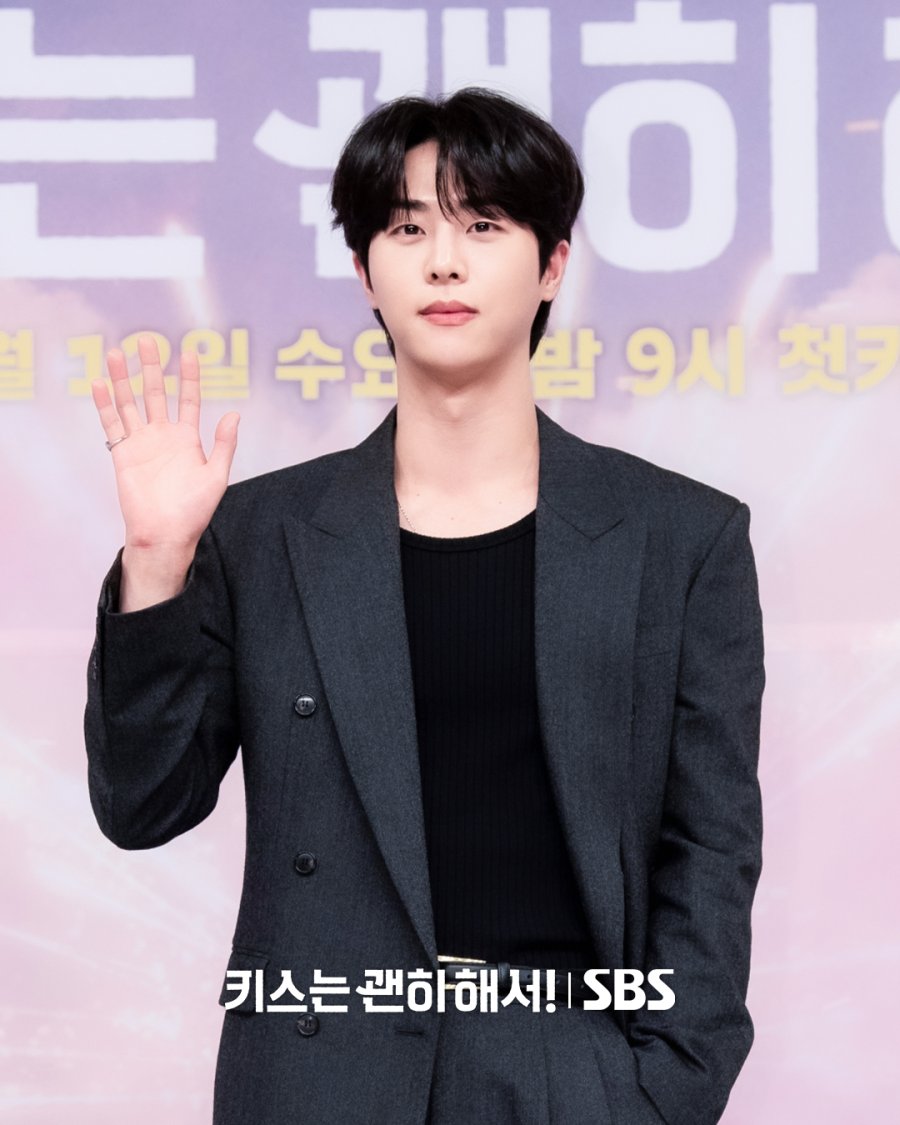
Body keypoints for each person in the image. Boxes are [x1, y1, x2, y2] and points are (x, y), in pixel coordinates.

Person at [84, 87, 765, 1125]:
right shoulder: (261, 534)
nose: (444, 262)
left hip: (569, 1074)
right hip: (317, 1076)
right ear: (366, 271)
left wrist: (661, 1089)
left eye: (482, 226)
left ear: (552, 265)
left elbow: (710, 847)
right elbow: (142, 806)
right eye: (408, 229)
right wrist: (156, 562)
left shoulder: (680, 539)